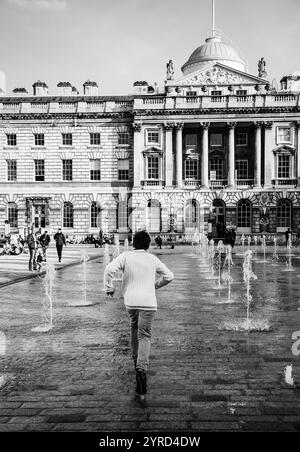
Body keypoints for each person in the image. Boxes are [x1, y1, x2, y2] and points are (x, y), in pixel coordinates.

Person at [104, 230, 174, 400]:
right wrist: (155, 286)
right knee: (145, 335)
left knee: (134, 328)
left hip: (131, 301)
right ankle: (141, 369)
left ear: (133, 243)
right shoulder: (152, 258)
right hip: (149, 303)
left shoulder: (126, 256)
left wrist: (109, 287)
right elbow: (170, 276)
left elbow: (108, 269)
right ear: (148, 244)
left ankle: (136, 361)